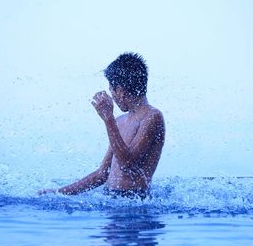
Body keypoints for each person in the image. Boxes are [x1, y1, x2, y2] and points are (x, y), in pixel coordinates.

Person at [38, 53, 165, 199]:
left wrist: (108, 119)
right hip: (111, 199)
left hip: (134, 202)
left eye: (112, 89)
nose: (112, 95)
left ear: (121, 91)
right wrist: (58, 192)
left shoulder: (152, 116)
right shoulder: (120, 121)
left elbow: (127, 164)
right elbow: (102, 174)